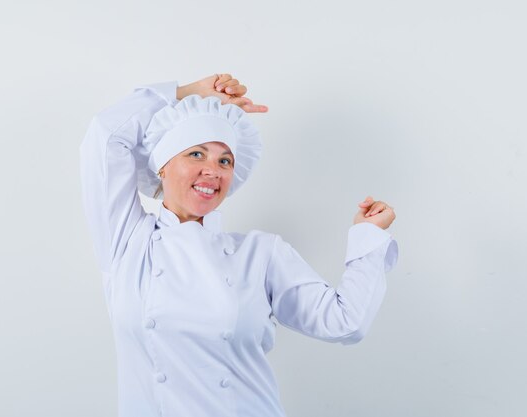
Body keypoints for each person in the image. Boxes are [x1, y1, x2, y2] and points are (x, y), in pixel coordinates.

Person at [79, 74, 398, 417]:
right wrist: (188, 93)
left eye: (224, 161)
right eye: (196, 153)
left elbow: (344, 322)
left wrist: (368, 235)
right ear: (163, 167)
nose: (212, 171)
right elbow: (105, 135)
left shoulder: (261, 254)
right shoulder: (129, 242)